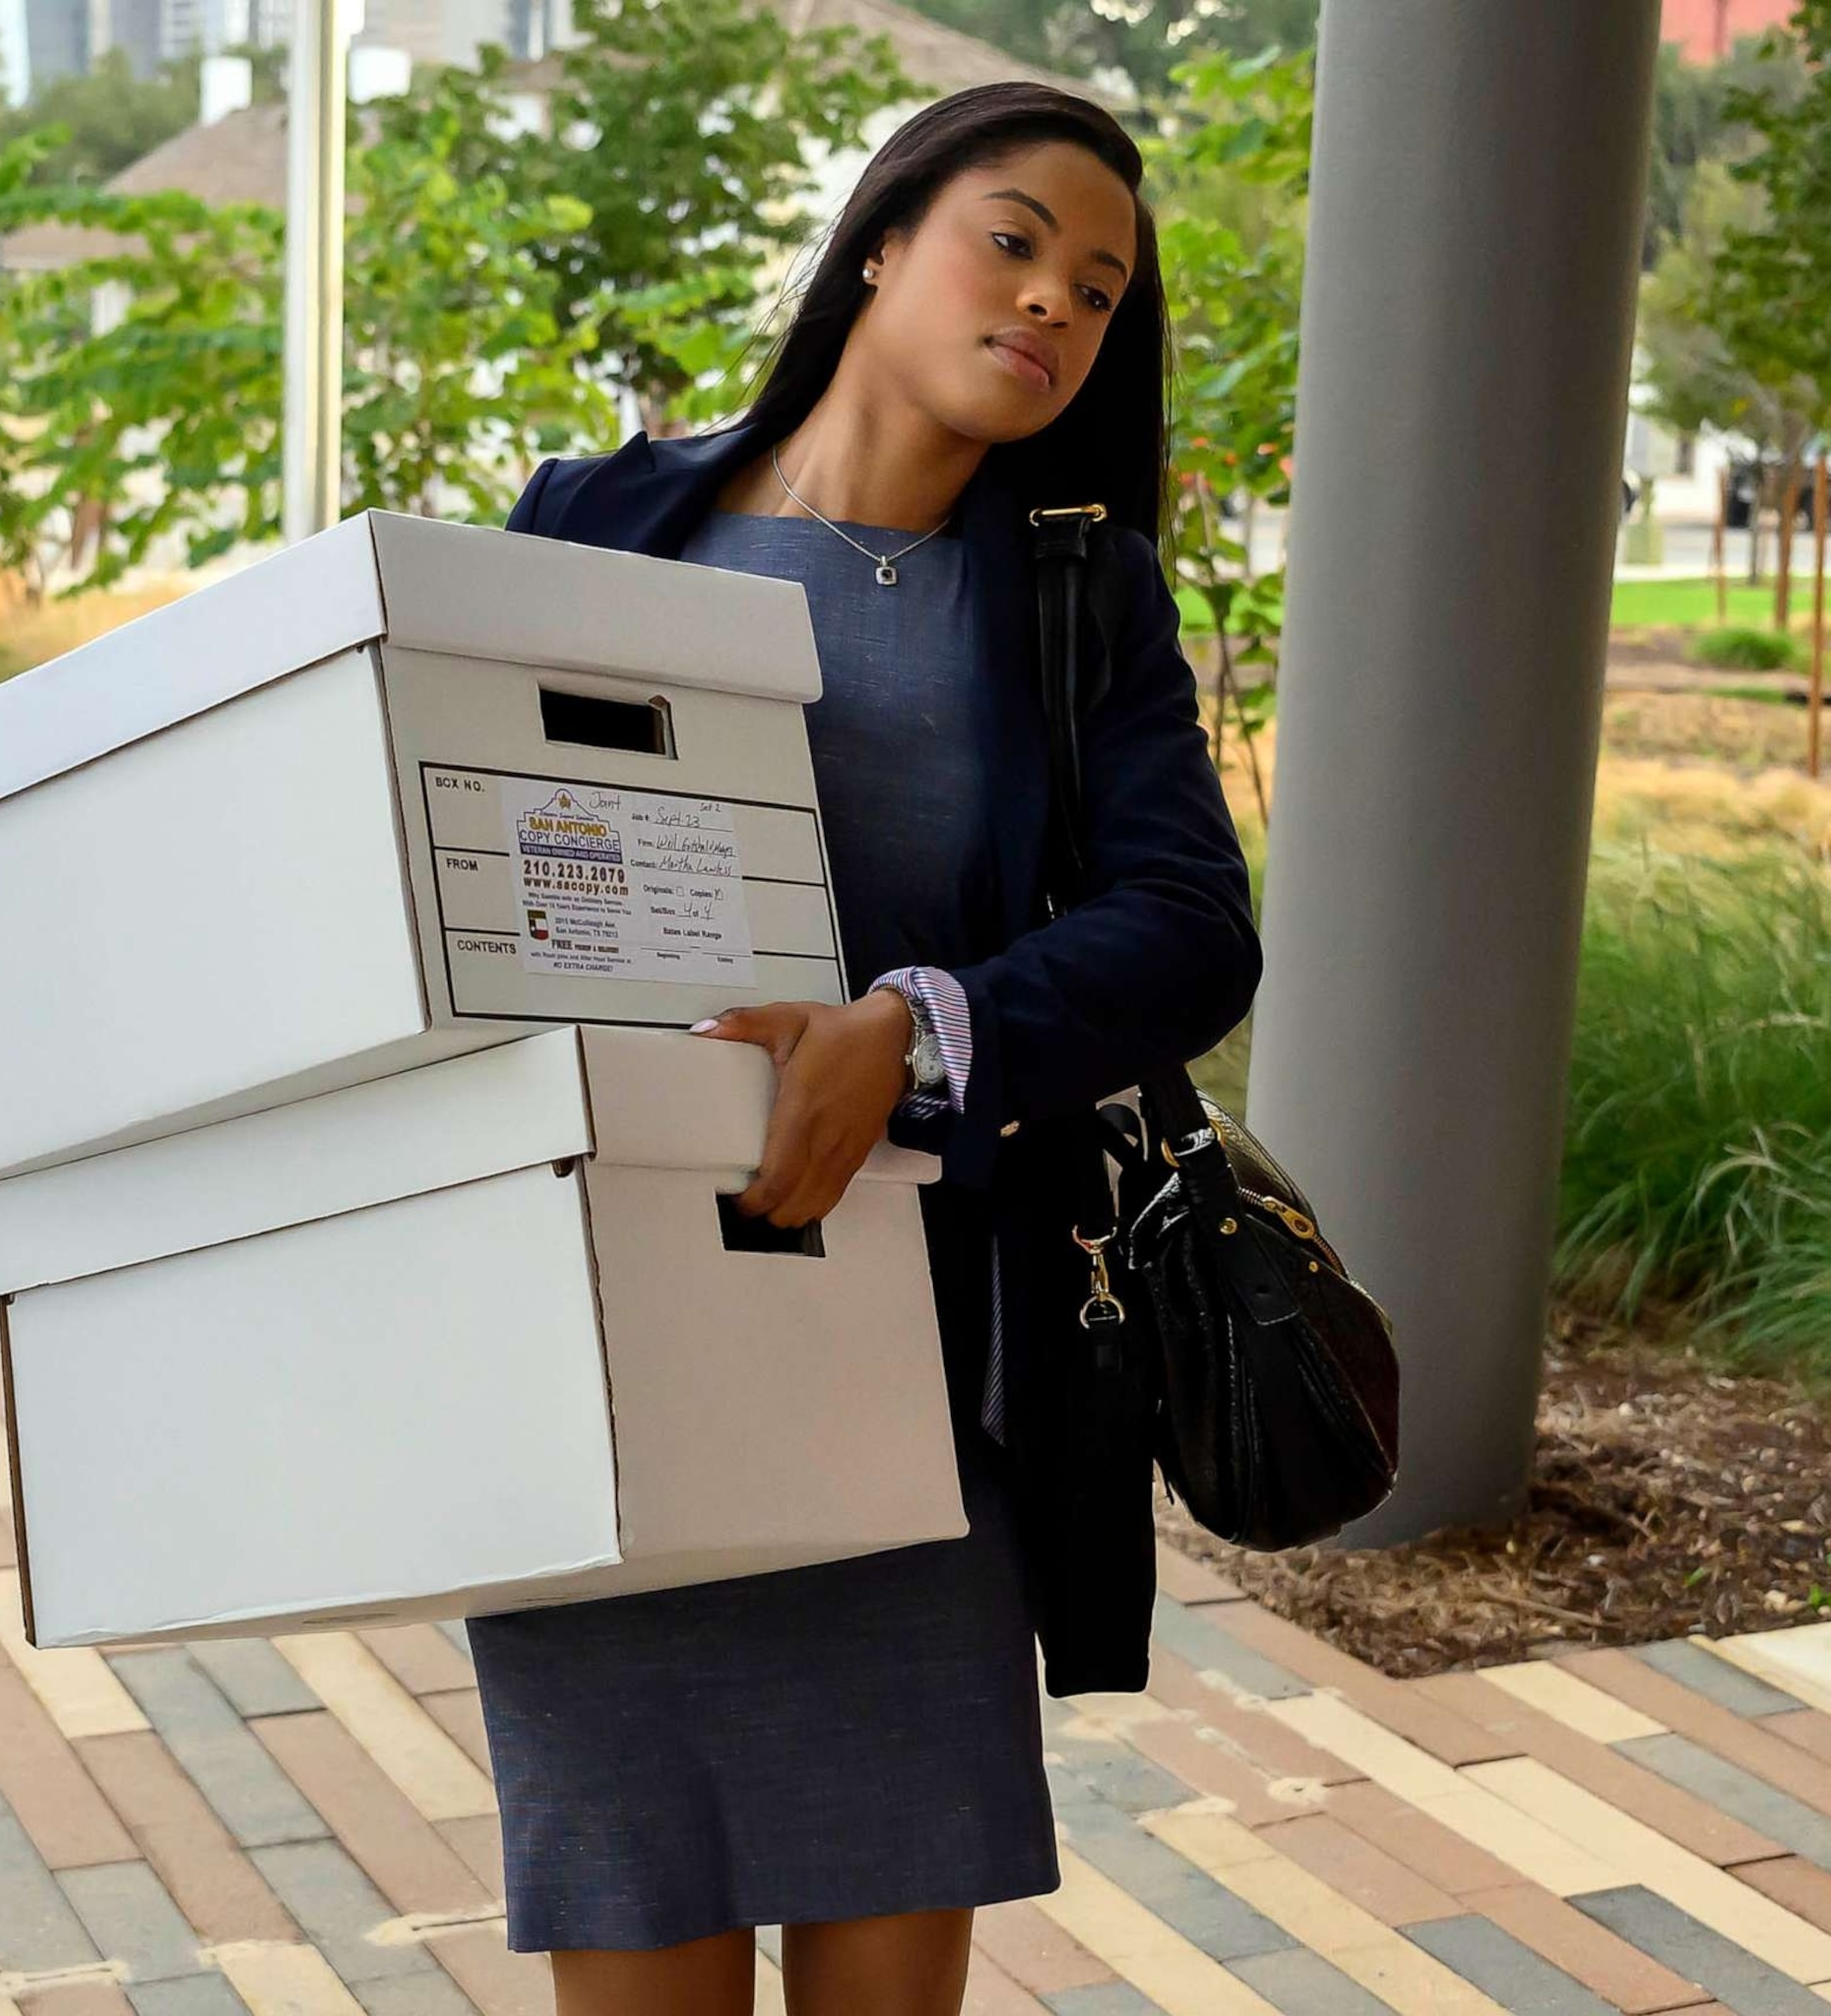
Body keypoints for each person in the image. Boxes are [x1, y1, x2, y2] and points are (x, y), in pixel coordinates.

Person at [476, 84, 1261, 2015]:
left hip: (912, 1388)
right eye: (1016, 242)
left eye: (1098, 288)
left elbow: (1191, 930)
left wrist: (917, 1025)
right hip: (610, 1365)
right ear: (886, 240)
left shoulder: (1079, 603)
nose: (1055, 305)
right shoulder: (600, 515)